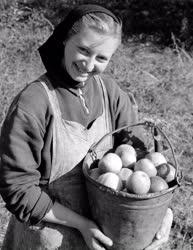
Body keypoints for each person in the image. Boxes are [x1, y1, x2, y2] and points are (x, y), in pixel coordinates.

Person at [0, 4, 173, 250]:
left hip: (106, 233)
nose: (89, 66)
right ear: (64, 41)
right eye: (83, 50)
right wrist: (83, 225)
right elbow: (17, 189)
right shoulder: (34, 103)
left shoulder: (109, 92)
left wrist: (160, 212)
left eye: (101, 58)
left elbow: (141, 159)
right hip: (49, 236)